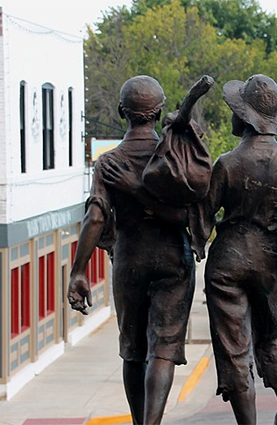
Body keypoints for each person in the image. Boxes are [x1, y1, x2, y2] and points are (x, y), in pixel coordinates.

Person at [190, 74, 277, 425]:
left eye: (236, 110)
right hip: (272, 261)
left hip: (229, 261)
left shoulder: (226, 163)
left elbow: (202, 218)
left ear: (245, 118)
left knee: (234, 347)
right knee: (273, 336)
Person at [67, 75, 196, 425]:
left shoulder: (109, 162)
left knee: (134, 352)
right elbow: (191, 213)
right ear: (158, 111)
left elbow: (95, 217)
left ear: (123, 111)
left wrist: (79, 270)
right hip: (174, 259)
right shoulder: (174, 156)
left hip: (130, 260)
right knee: (163, 351)